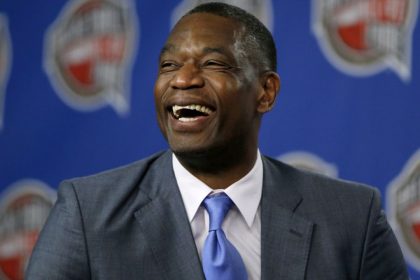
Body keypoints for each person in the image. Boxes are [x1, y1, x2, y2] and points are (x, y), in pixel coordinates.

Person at [26, 2, 408, 280]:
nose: (182, 79)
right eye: (169, 66)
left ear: (265, 92)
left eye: (212, 64)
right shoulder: (87, 214)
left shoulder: (352, 217)